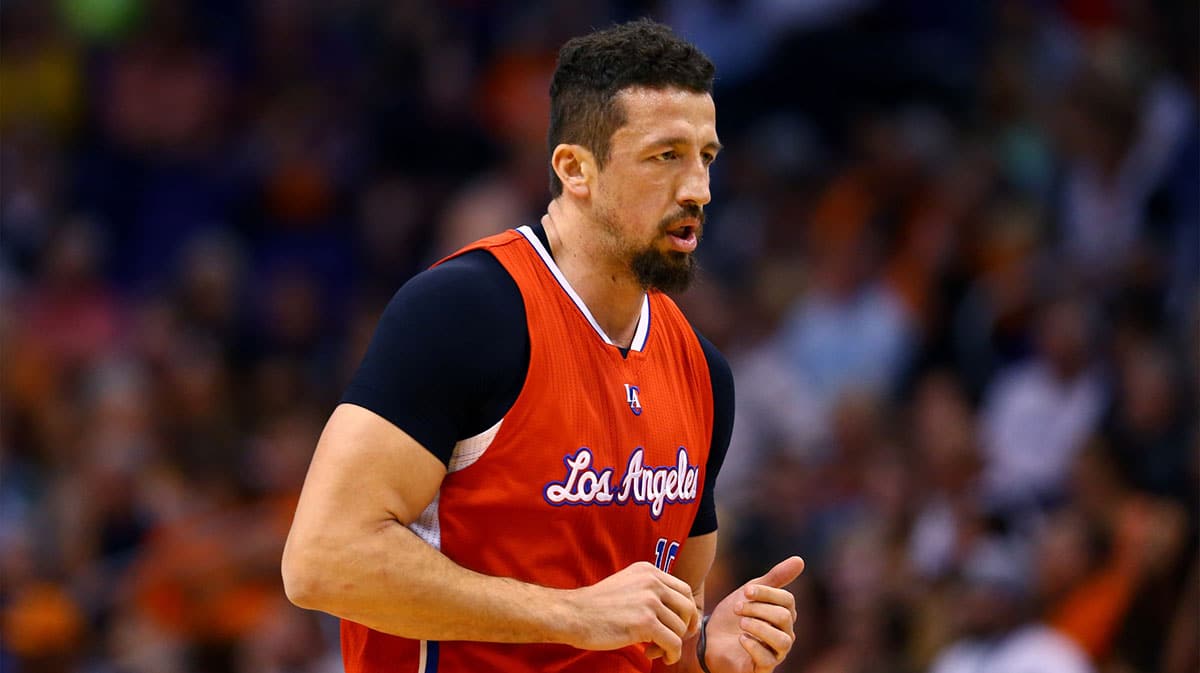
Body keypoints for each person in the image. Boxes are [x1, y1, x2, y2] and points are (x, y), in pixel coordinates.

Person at [282, 19, 804, 673]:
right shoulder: (467, 311)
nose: (697, 188)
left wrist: (705, 655)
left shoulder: (705, 372)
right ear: (575, 169)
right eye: (665, 156)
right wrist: (573, 613)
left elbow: (653, 644)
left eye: (706, 157)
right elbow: (322, 559)